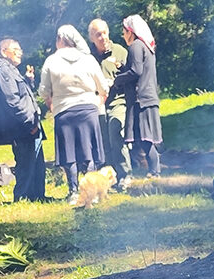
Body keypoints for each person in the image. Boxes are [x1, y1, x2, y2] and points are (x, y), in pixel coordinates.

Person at [39, 25, 109, 205]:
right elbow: (103, 86)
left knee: (68, 153)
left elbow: (43, 91)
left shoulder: (51, 61)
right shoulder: (88, 60)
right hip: (88, 110)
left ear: (61, 40)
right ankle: (90, 193)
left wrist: (51, 103)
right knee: (89, 151)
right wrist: (98, 101)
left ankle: (73, 192)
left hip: (64, 112)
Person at [0, 38, 47, 202]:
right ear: (4, 52)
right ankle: (23, 196)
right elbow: (12, 102)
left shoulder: (11, 70)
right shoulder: (4, 71)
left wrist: (28, 81)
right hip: (22, 127)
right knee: (25, 162)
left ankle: (37, 195)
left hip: (27, 125)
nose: (20, 52)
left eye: (20, 49)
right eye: (15, 49)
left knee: (36, 162)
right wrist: (29, 124)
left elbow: (20, 94)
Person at [113, 15, 163, 179]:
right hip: (148, 97)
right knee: (145, 137)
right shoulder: (146, 47)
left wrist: (117, 80)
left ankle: (154, 172)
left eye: (124, 31)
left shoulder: (135, 46)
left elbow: (136, 71)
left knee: (145, 138)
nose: (123, 35)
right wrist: (122, 68)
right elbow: (137, 69)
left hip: (140, 99)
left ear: (130, 31)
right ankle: (154, 171)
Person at [88, 19, 131, 191]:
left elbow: (132, 74)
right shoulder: (87, 57)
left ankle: (125, 174)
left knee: (115, 132)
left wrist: (115, 81)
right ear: (91, 37)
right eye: (98, 34)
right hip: (98, 104)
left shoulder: (120, 51)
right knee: (103, 141)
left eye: (104, 32)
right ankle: (110, 178)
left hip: (118, 101)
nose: (102, 37)